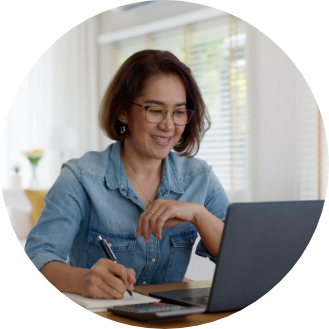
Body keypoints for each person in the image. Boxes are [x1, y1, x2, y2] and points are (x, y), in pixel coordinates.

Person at [24, 49, 230, 300]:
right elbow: (38, 256)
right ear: (123, 111)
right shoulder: (80, 177)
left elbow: (240, 256)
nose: (168, 125)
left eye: (178, 112)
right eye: (155, 110)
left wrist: (198, 214)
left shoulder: (200, 177)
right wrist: (84, 280)